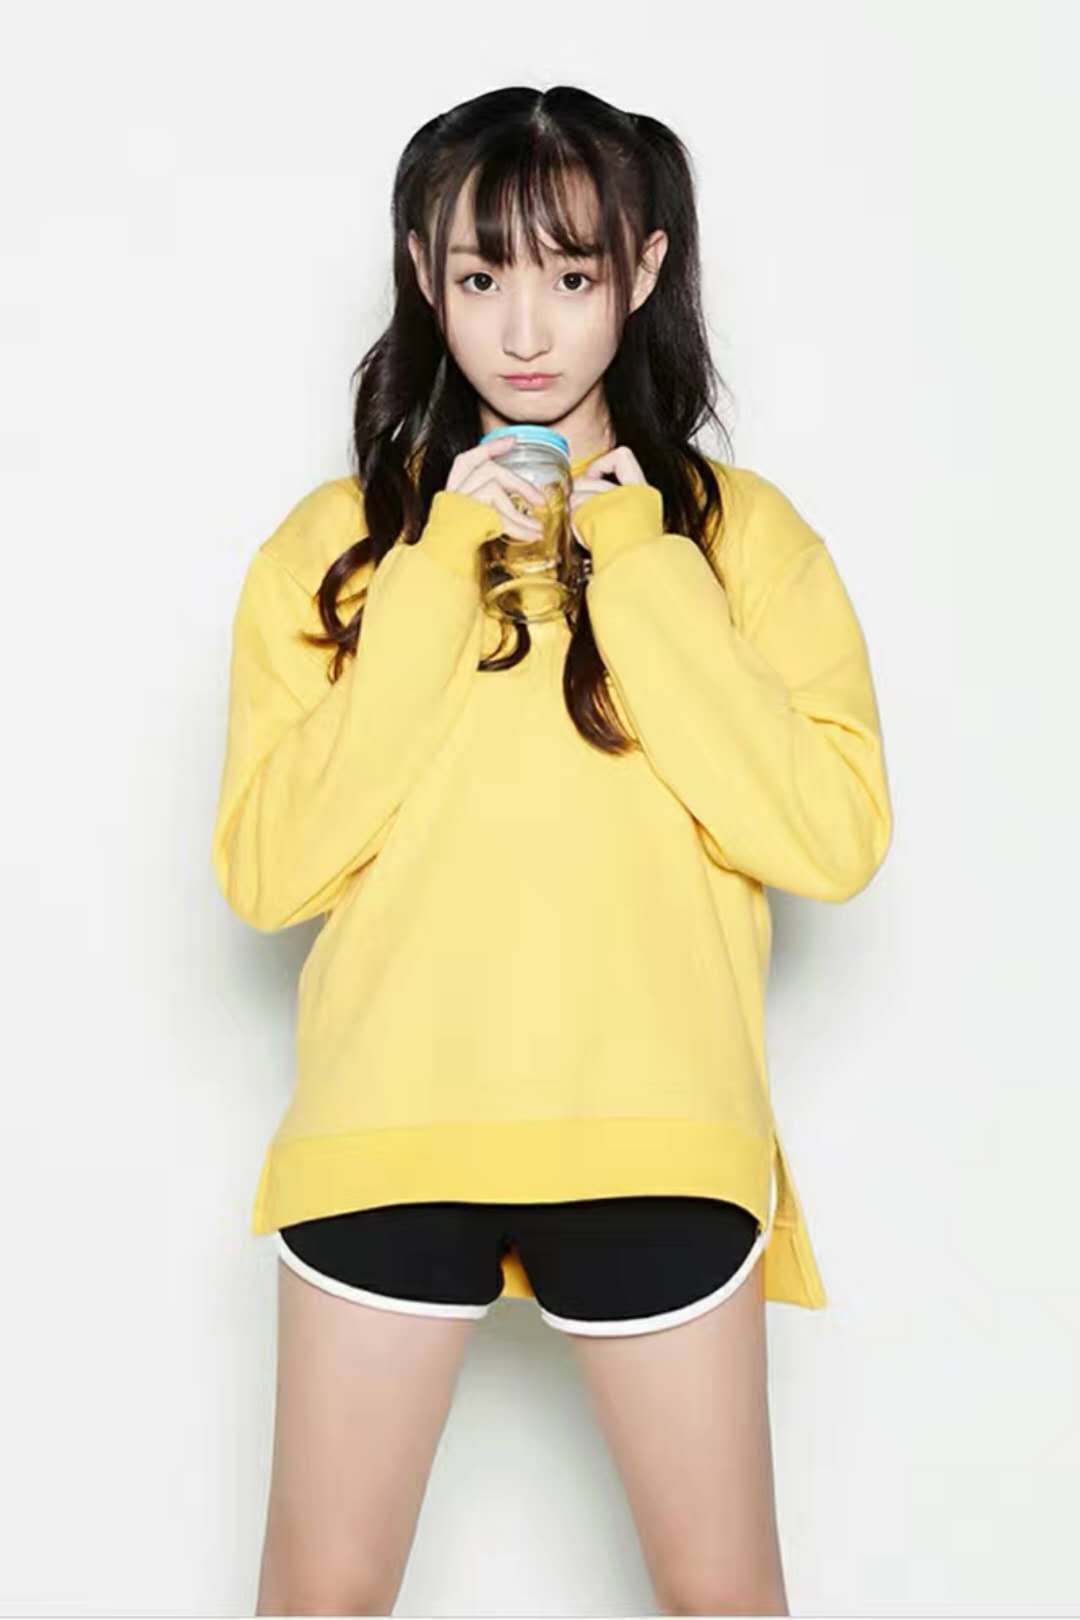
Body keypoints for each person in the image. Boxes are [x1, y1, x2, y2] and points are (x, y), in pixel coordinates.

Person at [210, 84, 893, 1618]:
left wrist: (638, 565)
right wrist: (440, 562)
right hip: (390, 1124)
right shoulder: (337, 548)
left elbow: (830, 837)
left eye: (572, 274)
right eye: (480, 275)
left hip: (654, 1126)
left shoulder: (736, 537)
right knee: (319, 1599)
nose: (525, 328)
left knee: (723, 1596)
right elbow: (266, 871)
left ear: (644, 271)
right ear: (422, 271)